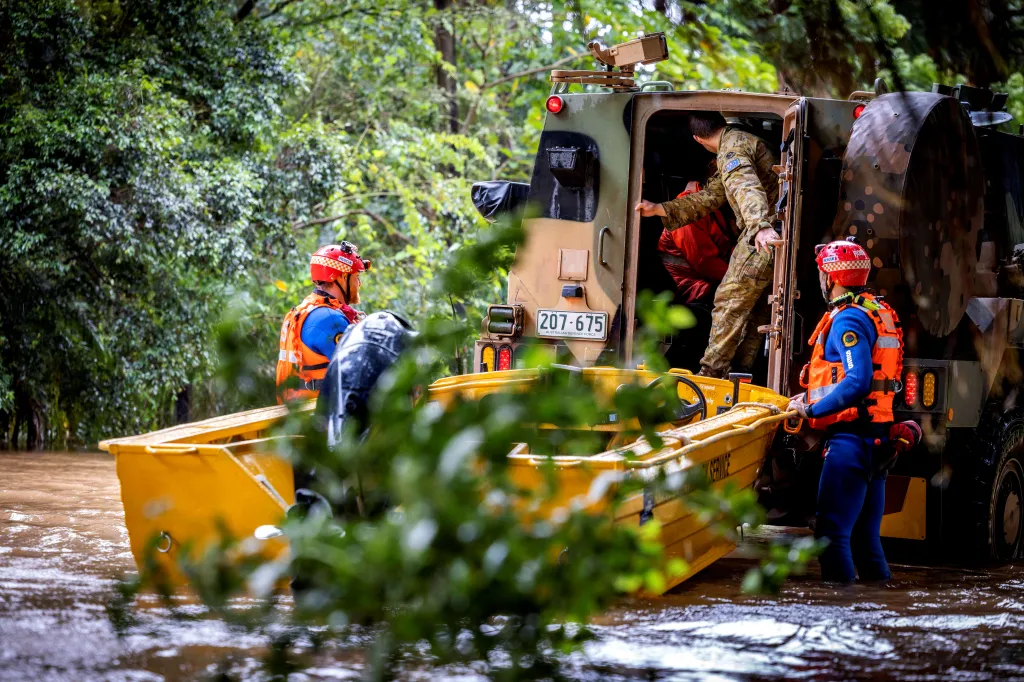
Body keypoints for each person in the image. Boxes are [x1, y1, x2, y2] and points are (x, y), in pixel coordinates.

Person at [786, 237, 913, 583]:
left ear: (830, 277)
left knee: (831, 536)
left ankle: (841, 620)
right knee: (864, 539)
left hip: (851, 441)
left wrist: (811, 410)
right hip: (877, 440)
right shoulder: (876, 310)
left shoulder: (848, 321)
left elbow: (857, 381)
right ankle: (876, 614)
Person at [636, 112, 778, 378]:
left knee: (728, 300)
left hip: (764, 234)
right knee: (756, 308)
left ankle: (710, 375)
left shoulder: (732, 148)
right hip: (773, 235)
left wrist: (760, 226)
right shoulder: (739, 140)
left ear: (698, 139)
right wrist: (661, 209)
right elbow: (711, 196)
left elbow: (745, 186)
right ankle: (741, 373)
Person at [276, 242, 370, 403]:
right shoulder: (329, 319)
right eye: (356, 277)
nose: (359, 284)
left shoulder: (307, 309)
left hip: (298, 412)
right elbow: (360, 371)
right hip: (317, 414)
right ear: (341, 277)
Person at [657, 180, 732, 305]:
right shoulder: (685, 211)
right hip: (697, 290)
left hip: (712, 280)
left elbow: (724, 246)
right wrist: (740, 276)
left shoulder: (710, 205)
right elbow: (705, 263)